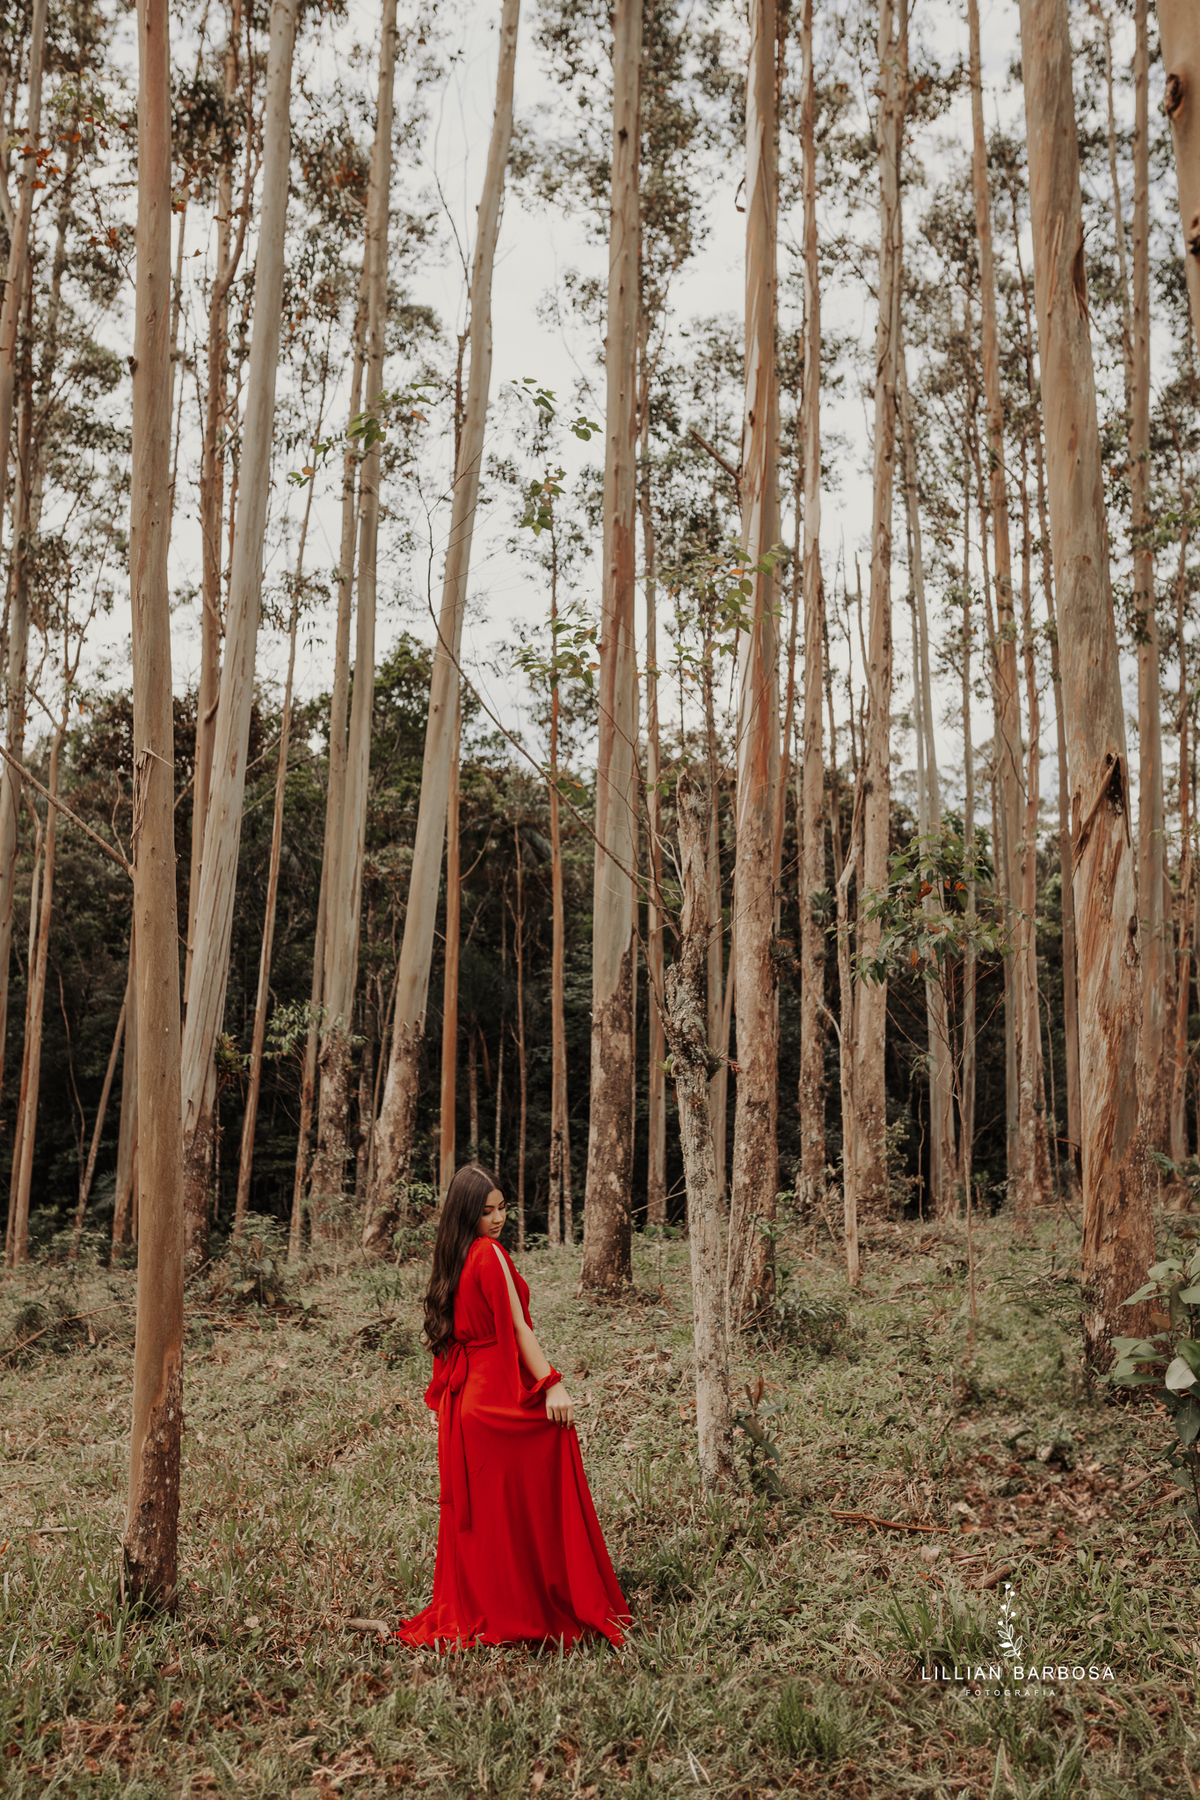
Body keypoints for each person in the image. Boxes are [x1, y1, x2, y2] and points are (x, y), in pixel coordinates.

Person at [396, 1165, 629, 1648]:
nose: (498, 1218)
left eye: (502, 1207)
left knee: (488, 1513)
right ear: (467, 1213)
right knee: (549, 1450)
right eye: (486, 1211)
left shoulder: (451, 1258)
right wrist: (551, 1385)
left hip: (464, 1407)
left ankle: (495, 1602)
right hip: (491, 1395)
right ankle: (542, 1600)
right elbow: (520, 1328)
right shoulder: (487, 1253)